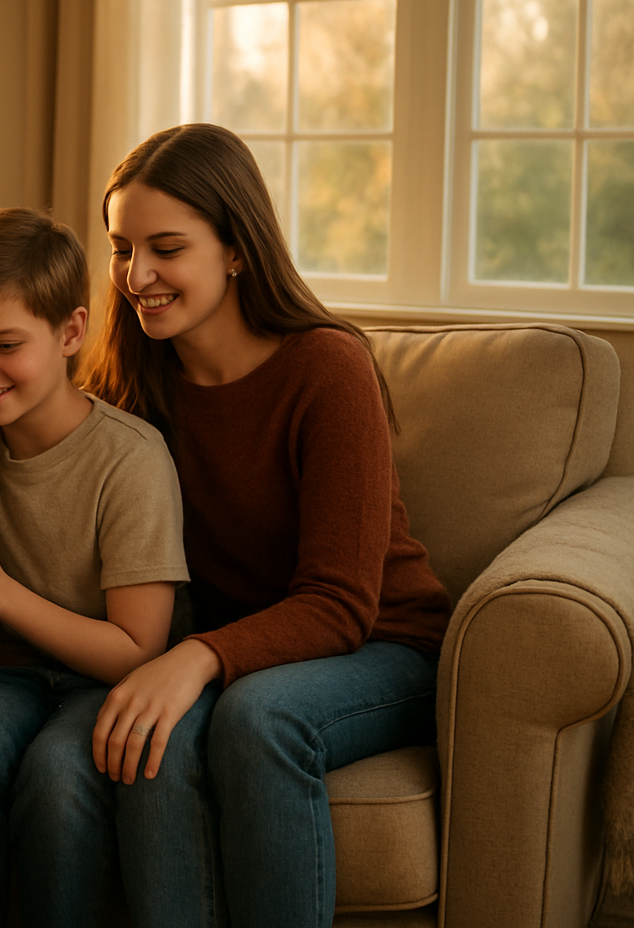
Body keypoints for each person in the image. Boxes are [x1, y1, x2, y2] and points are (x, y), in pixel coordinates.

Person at [84, 123, 452, 928]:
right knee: (156, 737)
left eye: (166, 248)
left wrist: (197, 658)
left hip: (385, 646)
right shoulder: (133, 383)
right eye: (121, 248)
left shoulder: (328, 368)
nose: (136, 275)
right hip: (244, 654)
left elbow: (339, 602)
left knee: (258, 719)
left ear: (238, 250)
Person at [0, 207, 189, 928]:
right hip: (5, 673)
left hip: (107, 680)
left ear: (70, 332)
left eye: (6, 344)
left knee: (58, 779)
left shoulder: (131, 458)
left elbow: (137, 649)